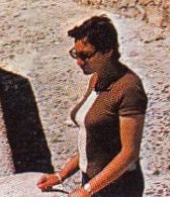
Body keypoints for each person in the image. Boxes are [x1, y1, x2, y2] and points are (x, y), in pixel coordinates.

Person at [36, 15, 147, 197]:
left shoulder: (129, 88)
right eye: (75, 54)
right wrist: (61, 175)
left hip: (118, 188)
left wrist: (87, 191)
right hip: (94, 182)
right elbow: (93, 140)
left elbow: (129, 153)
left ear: (108, 51)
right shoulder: (97, 78)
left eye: (85, 55)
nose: (79, 61)